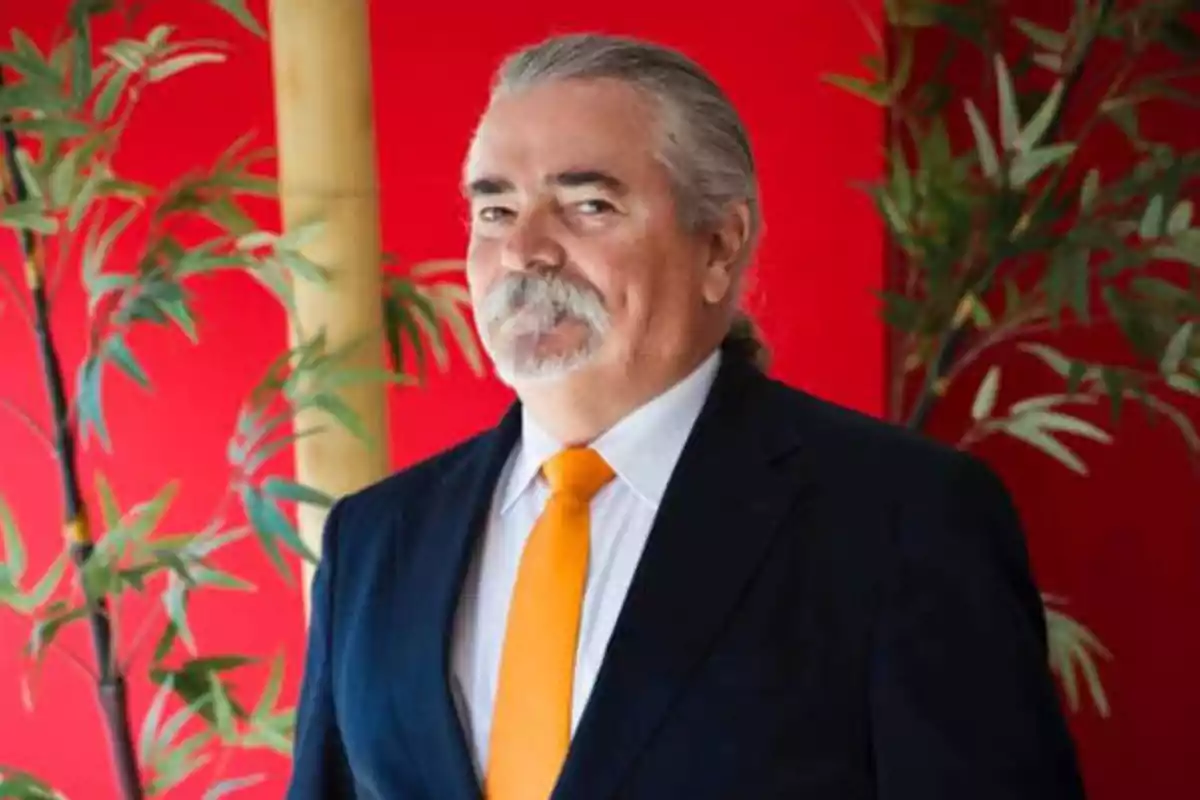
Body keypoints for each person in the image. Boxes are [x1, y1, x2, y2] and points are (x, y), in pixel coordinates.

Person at [285, 32, 1085, 800]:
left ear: (719, 247)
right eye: (495, 212)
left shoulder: (903, 520)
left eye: (588, 205)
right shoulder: (374, 540)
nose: (525, 250)